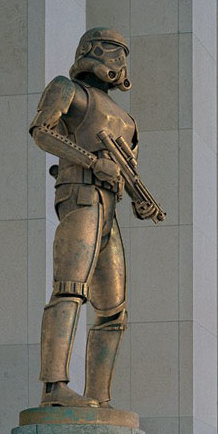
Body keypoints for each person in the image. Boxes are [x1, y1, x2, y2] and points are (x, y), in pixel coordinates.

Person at [31, 27, 159, 408]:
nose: (118, 60)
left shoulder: (129, 121)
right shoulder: (69, 90)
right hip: (80, 195)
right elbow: (41, 130)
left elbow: (128, 172)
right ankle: (54, 389)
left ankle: (99, 398)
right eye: (111, 50)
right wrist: (90, 161)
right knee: (70, 288)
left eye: (123, 52)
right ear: (90, 51)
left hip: (109, 206)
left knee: (113, 309)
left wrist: (141, 200)